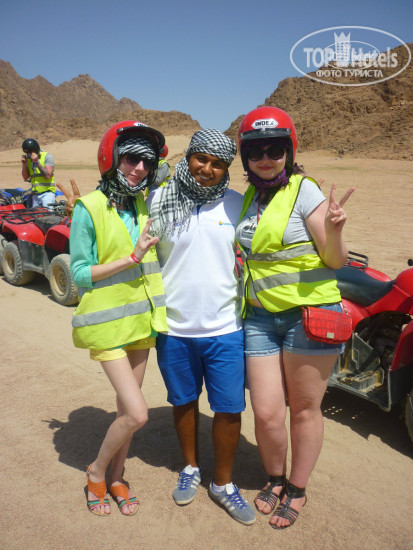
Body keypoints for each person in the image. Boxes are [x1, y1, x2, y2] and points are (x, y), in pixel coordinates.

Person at [236, 106, 354, 530]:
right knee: (267, 412)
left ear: (289, 151)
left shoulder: (305, 191)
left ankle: (297, 489)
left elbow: (335, 261)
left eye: (275, 150)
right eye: (256, 152)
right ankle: (274, 478)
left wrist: (335, 230)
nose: (266, 159)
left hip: (308, 317)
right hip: (260, 318)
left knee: (304, 410)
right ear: (245, 156)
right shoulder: (250, 198)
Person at [146, 128, 256, 526]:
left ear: (227, 169)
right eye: (201, 159)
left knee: (228, 407)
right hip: (174, 327)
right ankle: (190, 467)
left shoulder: (237, 204)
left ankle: (222, 484)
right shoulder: (158, 200)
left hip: (225, 327)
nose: (207, 169)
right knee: (183, 400)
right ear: (188, 156)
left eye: (218, 164)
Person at [69, 120, 167, 516]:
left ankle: (117, 476)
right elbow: (79, 273)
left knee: (126, 409)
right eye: (131, 158)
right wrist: (131, 258)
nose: (139, 168)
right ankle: (96, 470)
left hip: (141, 323)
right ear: (111, 159)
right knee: (138, 414)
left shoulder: (142, 204)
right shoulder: (88, 208)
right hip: (108, 326)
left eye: (147, 162)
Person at [21, 138, 55, 208]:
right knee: (36, 214)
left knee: (48, 213)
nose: (29, 154)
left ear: (35, 149)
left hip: (47, 194)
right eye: (27, 153)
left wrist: (37, 162)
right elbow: (25, 177)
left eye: (30, 152)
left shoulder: (47, 156)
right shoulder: (29, 160)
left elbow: (48, 176)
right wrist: (24, 164)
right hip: (35, 195)